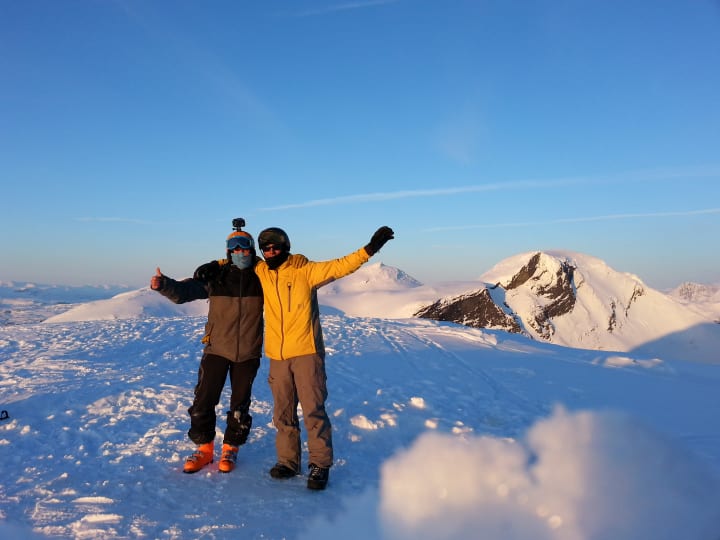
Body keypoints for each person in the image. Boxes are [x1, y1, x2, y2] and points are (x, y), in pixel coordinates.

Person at [195, 225, 394, 489]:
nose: (270, 252)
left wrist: (370, 249)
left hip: (306, 352)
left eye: (275, 247)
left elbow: (341, 266)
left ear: (286, 247)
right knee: (283, 414)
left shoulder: (305, 270)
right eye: (266, 248)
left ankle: (319, 464)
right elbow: (241, 258)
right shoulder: (262, 270)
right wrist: (215, 264)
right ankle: (288, 462)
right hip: (278, 356)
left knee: (313, 410)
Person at [150, 222, 263, 474]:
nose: (240, 252)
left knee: (240, 405)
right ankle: (204, 449)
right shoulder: (217, 277)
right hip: (216, 349)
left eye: (244, 247)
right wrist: (164, 285)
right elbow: (185, 292)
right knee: (203, 400)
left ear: (252, 249)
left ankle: (231, 448)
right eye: (234, 248)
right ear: (228, 251)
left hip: (248, 351)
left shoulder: (262, 277)